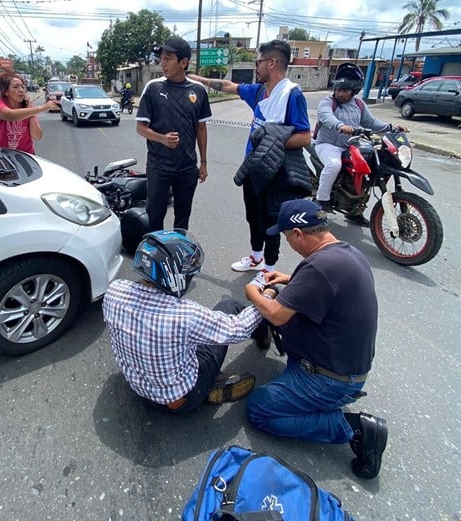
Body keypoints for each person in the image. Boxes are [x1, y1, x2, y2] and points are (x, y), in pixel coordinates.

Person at [244, 198, 387, 479]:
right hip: (343, 367)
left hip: (329, 380)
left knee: (259, 409)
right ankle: (316, 398)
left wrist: (252, 291)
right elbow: (321, 285)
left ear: (298, 234)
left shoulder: (318, 268)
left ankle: (352, 428)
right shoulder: (344, 253)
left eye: (287, 237)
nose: (288, 243)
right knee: (282, 299)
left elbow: (276, 314)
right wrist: (286, 278)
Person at [102, 229, 271, 413]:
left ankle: (207, 385)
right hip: (182, 399)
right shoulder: (184, 315)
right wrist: (264, 300)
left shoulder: (114, 291)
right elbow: (236, 329)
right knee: (229, 305)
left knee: (186, 341)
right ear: (173, 275)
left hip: (140, 390)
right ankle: (209, 385)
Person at [189, 40, 311, 286]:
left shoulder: (292, 95)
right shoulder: (259, 92)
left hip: (276, 171)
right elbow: (228, 86)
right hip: (253, 167)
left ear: (272, 62)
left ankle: (268, 269)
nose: (257, 67)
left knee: (271, 221)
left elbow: (305, 136)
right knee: (253, 216)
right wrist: (199, 80)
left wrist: (271, 142)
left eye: (259, 62)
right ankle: (255, 257)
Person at [314, 63, 407, 225]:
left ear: (354, 91)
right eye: (338, 89)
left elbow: (371, 122)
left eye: (344, 90)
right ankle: (322, 201)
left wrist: (391, 127)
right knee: (334, 165)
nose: (339, 93)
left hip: (350, 145)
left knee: (367, 172)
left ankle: (355, 211)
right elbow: (326, 117)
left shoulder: (359, 105)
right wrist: (341, 126)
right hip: (328, 145)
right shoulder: (327, 102)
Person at [136, 36, 212, 232]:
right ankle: (155, 255)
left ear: (184, 62)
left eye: (168, 58)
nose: (162, 63)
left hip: (187, 167)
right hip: (159, 166)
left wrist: (203, 162)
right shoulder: (153, 88)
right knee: (155, 216)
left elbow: (201, 129)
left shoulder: (198, 91)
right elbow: (141, 128)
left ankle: (179, 255)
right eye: (161, 58)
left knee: (182, 217)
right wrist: (162, 138)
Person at [0, 71, 56, 154]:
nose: (21, 90)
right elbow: (11, 115)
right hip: (2, 155)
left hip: (25, 155)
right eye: (16, 87)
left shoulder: (28, 108)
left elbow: (36, 136)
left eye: (22, 87)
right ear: (6, 91)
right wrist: (43, 108)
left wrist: (29, 109)